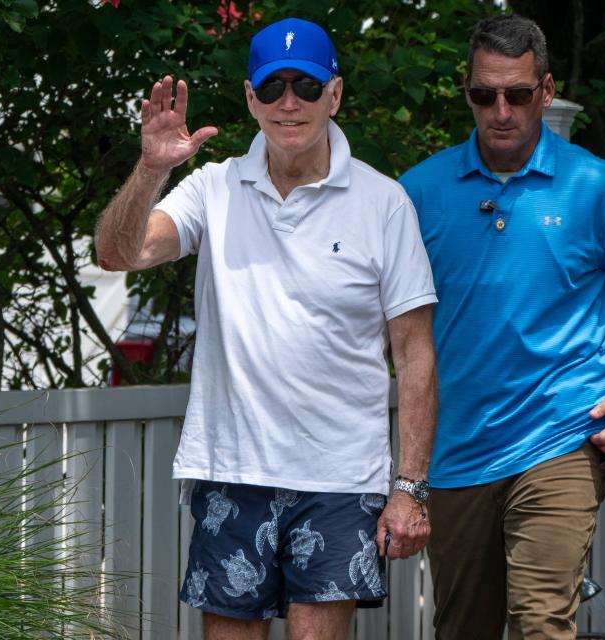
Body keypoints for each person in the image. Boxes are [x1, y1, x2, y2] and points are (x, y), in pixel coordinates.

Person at [95, 17, 439, 640]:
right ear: (250, 97)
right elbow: (118, 253)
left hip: (341, 477)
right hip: (234, 468)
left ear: (334, 94)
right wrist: (151, 170)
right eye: (273, 86)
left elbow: (414, 356)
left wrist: (409, 488)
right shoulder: (213, 187)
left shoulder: (384, 202)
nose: (289, 102)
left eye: (305, 86)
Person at [398, 13, 605, 640]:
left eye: (517, 94)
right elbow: (381, 319)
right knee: (463, 628)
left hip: (562, 434)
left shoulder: (597, 186)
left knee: (541, 618)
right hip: (457, 449)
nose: (500, 111)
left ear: (546, 90)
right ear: (467, 93)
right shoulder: (418, 192)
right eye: (485, 95)